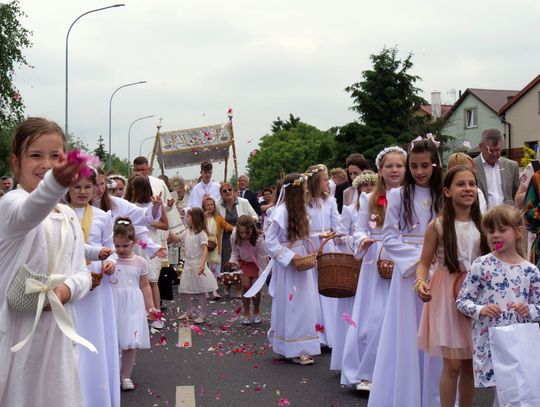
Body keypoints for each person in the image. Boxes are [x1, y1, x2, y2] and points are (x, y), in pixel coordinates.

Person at [0, 117, 93, 406]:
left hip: (58, 332)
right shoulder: (11, 205)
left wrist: (65, 291)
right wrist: (55, 182)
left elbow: (82, 273)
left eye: (55, 156)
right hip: (17, 333)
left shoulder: (67, 216)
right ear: (16, 162)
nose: (46, 164)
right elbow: (30, 210)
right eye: (35, 155)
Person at [368, 137, 443, 407]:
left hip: (440, 270)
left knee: (437, 333)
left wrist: (441, 260)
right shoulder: (399, 195)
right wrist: (419, 261)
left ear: (435, 165)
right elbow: (389, 237)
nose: (420, 172)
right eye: (414, 166)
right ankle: (408, 396)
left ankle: (436, 397)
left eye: (425, 165)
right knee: (409, 334)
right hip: (410, 274)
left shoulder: (443, 193)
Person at [416, 166, 490, 407]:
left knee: (470, 363)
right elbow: (424, 263)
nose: (468, 189)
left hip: (476, 293)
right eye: (461, 184)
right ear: (447, 191)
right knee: (453, 363)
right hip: (446, 293)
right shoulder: (437, 226)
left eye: (471, 184)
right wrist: (420, 283)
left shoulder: (485, 225)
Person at [456, 205, 540, 403]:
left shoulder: (530, 271)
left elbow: (538, 307)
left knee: (515, 391)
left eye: (502, 230)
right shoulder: (481, 265)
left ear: (518, 231)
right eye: (491, 230)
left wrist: (528, 310)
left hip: (519, 343)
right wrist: (480, 309)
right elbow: (462, 301)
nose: (495, 235)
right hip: (489, 340)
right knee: (502, 391)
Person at [341, 146, 406, 391]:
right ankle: (367, 371)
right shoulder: (369, 199)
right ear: (380, 170)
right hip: (375, 262)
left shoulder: (411, 195)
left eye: (399, 165)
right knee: (374, 316)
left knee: (399, 317)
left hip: (403, 260)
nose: (394, 170)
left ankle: (397, 372)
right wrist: (362, 240)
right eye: (389, 166)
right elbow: (358, 229)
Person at [67, 170, 120, 407]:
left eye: (87, 187)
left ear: (95, 189)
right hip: (69, 283)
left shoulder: (102, 216)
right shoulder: (59, 214)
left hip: (97, 286)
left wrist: (111, 262)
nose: (82, 192)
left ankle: (97, 397)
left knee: (97, 339)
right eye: (76, 187)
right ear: (67, 188)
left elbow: (111, 246)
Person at [265, 173, 321, 365]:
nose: (307, 190)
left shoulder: (301, 210)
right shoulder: (281, 211)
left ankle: (295, 345)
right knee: (292, 305)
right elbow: (270, 241)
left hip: (302, 260)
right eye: (304, 187)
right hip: (289, 263)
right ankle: (296, 348)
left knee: (304, 304)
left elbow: (305, 236)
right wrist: (290, 256)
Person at [330, 170, 377, 372]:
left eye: (371, 185)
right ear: (358, 189)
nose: (368, 189)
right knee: (353, 314)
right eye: (364, 186)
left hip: (373, 263)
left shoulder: (381, 208)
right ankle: (349, 359)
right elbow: (339, 237)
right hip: (354, 262)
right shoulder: (349, 209)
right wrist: (356, 243)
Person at [110, 217, 158, 391]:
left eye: (125, 245)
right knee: (113, 340)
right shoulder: (110, 260)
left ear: (134, 243)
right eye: (117, 246)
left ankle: (126, 376)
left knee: (130, 342)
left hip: (132, 305)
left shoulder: (140, 262)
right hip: (113, 304)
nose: (120, 249)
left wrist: (150, 306)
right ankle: (113, 374)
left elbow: (144, 285)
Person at [125, 174, 169, 329]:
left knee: (151, 281)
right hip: (133, 243)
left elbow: (165, 224)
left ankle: (156, 315)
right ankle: (140, 314)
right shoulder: (128, 205)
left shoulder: (154, 203)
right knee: (136, 281)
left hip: (150, 242)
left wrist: (148, 220)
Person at [305, 164, 339, 348]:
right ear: (316, 182)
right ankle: (316, 334)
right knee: (312, 291)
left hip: (328, 246)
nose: (328, 182)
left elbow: (338, 225)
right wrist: (317, 236)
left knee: (328, 289)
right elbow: (302, 231)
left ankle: (331, 334)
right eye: (325, 179)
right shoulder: (304, 202)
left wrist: (338, 235)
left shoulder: (331, 201)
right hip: (311, 246)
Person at [171, 207, 218, 324]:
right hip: (188, 264)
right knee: (185, 290)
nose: (186, 219)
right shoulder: (187, 231)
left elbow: (204, 250)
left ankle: (202, 315)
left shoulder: (201, 234)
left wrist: (202, 264)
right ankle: (189, 311)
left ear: (195, 219)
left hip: (198, 264)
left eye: (188, 216)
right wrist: (168, 229)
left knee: (201, 291)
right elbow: (177, 239)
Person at [217, 182, 258, 297]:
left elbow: (255, 215)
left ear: (234, 191)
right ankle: (227, 285)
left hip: (242, 236)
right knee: (227, 262)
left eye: (230, 189)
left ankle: (239, 288)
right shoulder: (218, 205)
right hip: (225, 237)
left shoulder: (243, 202)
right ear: (221, 194)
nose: (228, 192)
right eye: (224, 191)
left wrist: (248, 222)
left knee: (240, 260)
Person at [229, 215, 267, 325]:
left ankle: (256, 310)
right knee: (246, 286)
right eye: (241, 233)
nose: (244, 235)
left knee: (255, 288)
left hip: (256, 263)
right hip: (244, 262)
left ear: (252, 229)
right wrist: (233, 262)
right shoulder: (234, 236)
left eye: (247, 233)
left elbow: (262, 256)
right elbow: (235, 252)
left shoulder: (259, 239)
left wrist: (262, 273)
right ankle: (246, 313)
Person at [473, 128, 519, 208]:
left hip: (507, 216)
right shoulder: (471, 166)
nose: (494, 154)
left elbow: (517, 195)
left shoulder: (512, 166)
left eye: (497, 150)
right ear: (481, 146)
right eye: (490, 150)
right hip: (482, 217)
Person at [203, 195, 233, 298]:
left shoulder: (218, 217)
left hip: (215, 244)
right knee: (204, 268)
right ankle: (205, 291)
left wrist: (237, 228)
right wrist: (203, 217)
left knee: (214, 268)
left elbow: (227, 226)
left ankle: (214, 290)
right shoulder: (201, 217)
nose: (210, 207)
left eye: (211, 205)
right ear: (204, 206)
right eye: (207, 205)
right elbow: (196, 227)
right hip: (203, 243)